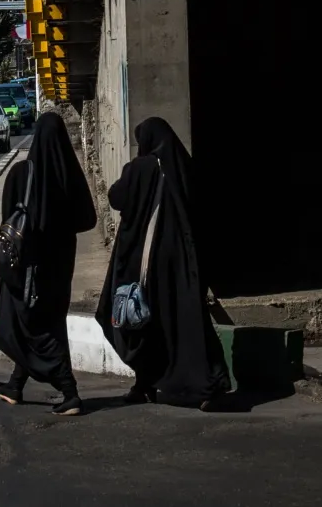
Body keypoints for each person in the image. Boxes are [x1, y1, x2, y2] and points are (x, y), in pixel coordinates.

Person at [97, 117, 230, 408]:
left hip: (147, 262)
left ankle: (148, 382)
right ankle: (203, 385)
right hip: (181, 261)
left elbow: (116, 197)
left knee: (143, 323)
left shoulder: (140, 168)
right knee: (185, 322)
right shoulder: (183, 165)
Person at [0, 111, 96, 415]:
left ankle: (70, 392)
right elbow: (88, 219)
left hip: (28, 269)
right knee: (44, 321)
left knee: (37, 327)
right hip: (60, 267)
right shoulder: (70, 175)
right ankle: (15, 385)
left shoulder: (22, 174)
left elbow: (8, 217)